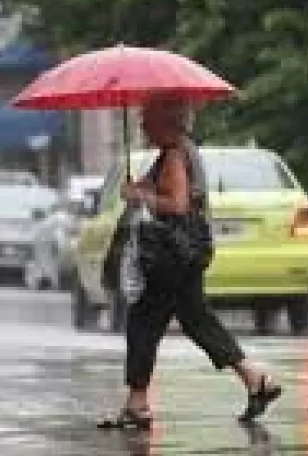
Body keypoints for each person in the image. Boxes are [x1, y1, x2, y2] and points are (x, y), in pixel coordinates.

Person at [100, 95, 282, 430]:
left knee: (143, 321)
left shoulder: (173, 154)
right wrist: (144, 186)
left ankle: (138, 404)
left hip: (170, 251)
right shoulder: (184, 149)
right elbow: (178, 195)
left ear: (165, 120)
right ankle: (256, 379)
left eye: (147, 117)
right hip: (187, 250)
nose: (141, 123)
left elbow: (178, 204)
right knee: (197, 319)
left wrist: (141, 195)